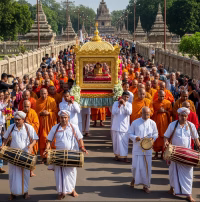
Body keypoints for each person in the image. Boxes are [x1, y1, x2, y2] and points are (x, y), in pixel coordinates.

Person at [44, 110, 88, 200]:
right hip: (59, 154)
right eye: (62, 117)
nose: (64, 119)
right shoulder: (55, 128)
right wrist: (46, 149)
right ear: (59, 118)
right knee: (59, 173)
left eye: (65, 117)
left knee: (71, 172)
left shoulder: (73, 127)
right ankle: (61, 192)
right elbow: (49, 140)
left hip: (72, 154)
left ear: (68, 118)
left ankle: (72, 190)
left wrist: (82, 147)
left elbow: (80, 138)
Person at [164, 107, 200, 202]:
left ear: (187, 116)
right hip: (174, 153)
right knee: (173, 172)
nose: (183, 118)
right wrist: (166, 142)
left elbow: (196, 138)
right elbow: (166, 136)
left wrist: (199, 146)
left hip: (187, 154)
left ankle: (189, 194)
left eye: (185, 116)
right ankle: (172, 188)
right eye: (181, 116)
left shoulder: (191, 126)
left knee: (188, 174)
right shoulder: (173, 125)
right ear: (178, 116)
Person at [1, 111, 38, 200]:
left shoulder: (29, 127)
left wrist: (31, 145)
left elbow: (35, 139)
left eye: (19, 120)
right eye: (15, 119)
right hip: (13, 154)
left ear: (23, 119)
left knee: (25, 174)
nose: (17, 121)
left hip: (25, 154)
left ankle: (25, 192)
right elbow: (5, 138)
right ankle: (13, 193)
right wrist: (3, 145)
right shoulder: (11, 127)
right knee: (13, 174)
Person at [129, 107, 158, 193]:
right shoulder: (135, 123)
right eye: (145, 114)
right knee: (135, 167)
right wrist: (135, 137)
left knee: (146, 168)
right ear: (141, 113)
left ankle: (146, 185)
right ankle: (134, 179)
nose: (146, 115)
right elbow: (129, 133)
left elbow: (156, 133)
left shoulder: (152, 123)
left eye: (148, 114)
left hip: (147, 149)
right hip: (137, 149)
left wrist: (153, 139)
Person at [35, 88, 58, 161]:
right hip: (42, 124)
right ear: (40, 94)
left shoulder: (52, 100)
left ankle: (51, 155)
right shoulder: (38, 102)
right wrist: (40, 113)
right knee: (43, 138)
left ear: (47, 93)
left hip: (50, 123)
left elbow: (56, 112)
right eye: (42, 93)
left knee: (51, 138)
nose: (43, 95)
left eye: (45, 93)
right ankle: (44, 156)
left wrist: (49, 113)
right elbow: (36, 113)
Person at [111, 92, 132, 162]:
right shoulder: (115, 103)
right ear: (122, 96)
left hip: (124, 127)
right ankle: (116, 155)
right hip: (116, 126)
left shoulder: (129, 104)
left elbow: (129, 112)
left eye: (127, 97)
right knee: (116, 142)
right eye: (125, 97)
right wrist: (119, 105)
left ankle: (125, 157)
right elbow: (113, 112)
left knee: (124, 142)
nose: (126, 98)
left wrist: (124, 105)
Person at [152, 90, 172, 159]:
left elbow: (170, 113)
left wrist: (165, 111)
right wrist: (157, 112)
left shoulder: (168, 103)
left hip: (165, 122)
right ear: (158, 95)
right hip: (157, 122)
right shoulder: (154, 103)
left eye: (163, 96)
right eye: (160, 96)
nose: (162, 97)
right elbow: (152, 113)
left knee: (164, 136)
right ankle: (156, 153)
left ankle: (163, 154)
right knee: (157, 137)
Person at [23, 100, 39, 177]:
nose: (26, 108)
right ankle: (24, 170)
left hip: (31, 137)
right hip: (23, 138)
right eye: (25, 106)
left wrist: (29, 124)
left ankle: (31, 171)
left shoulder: (33, 113)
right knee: (24, 155)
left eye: (28, 106)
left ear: (30, 106)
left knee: (32, 155)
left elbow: (37, 125)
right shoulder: (21, 114)